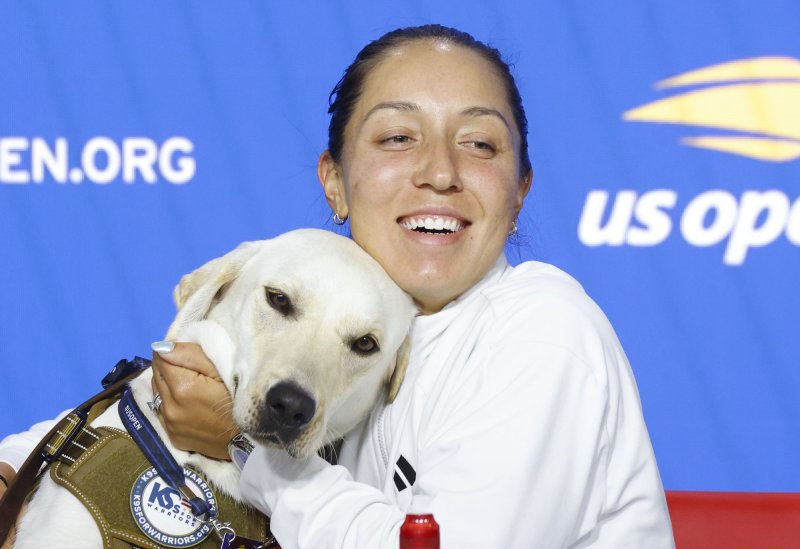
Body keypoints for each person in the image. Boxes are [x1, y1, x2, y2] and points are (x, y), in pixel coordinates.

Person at [0, 24, 674, 548]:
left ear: (520, 190)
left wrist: (239, 444)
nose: (440, 171)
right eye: (399, 136)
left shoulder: (545, 328)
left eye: (480, 144)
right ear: (333, 181)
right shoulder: (331, 303)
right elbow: (173, 389)